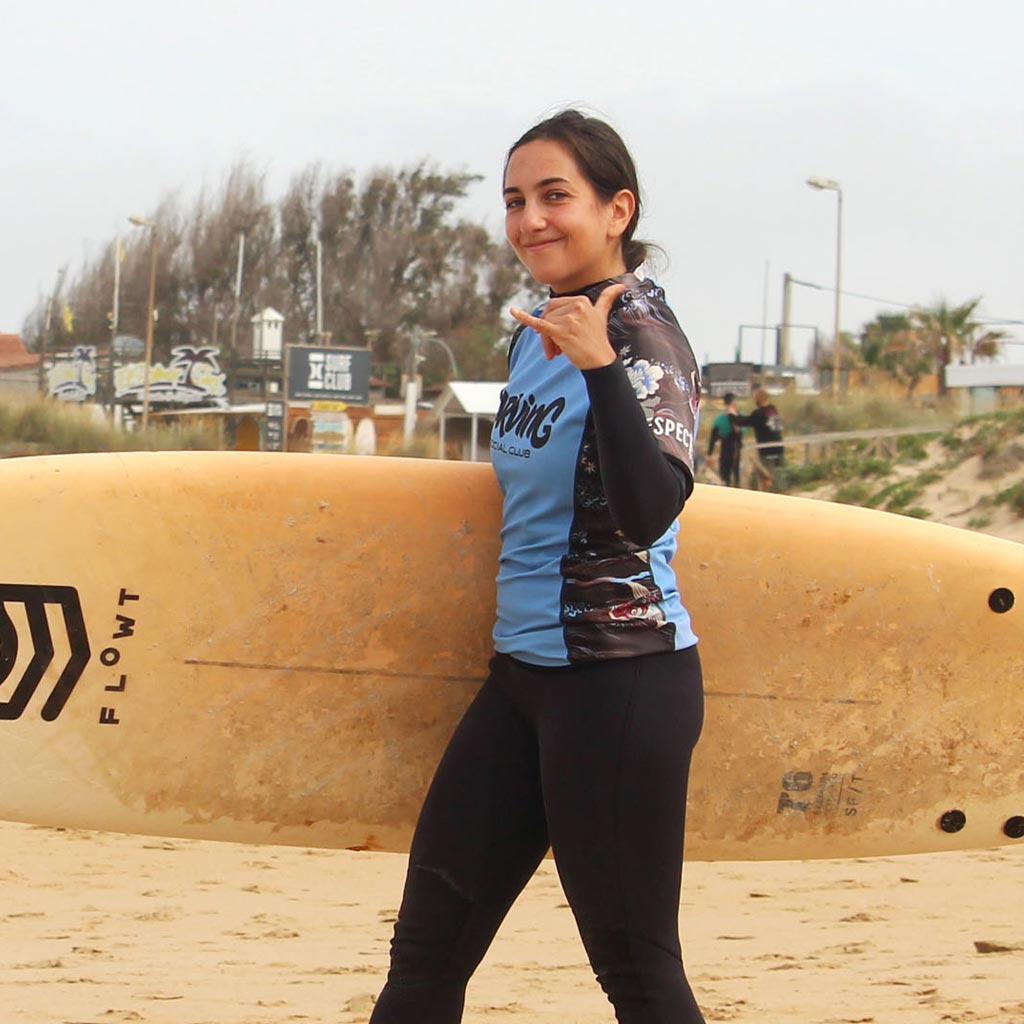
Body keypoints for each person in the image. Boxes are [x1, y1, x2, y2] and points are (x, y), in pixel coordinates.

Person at [370, 109, 705, 1024]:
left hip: (619, 684)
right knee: (425, 958)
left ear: (618, 209)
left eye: (556, 196)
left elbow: (651, 510)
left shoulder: (642, 336)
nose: (530, 221)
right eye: (515, 200)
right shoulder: (532, 331)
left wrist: (599, 367)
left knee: (638, 974)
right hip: (521, 679)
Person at [707, 392, 742, 486]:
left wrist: (709, 453)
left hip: (727, 451)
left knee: (726, 478)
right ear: (734, 402)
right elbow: (738, 433)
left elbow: (713, 438)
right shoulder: (738, 418)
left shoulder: (720, 420)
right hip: (734, 452)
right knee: (733, 478)